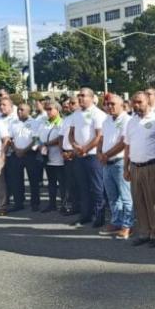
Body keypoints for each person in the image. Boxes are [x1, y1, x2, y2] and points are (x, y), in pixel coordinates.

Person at [124, 91, 155, 247]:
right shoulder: (131, 121)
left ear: (148, 102)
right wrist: (125, 168)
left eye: (139, 102)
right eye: (134, 102)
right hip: (135, 166)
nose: (136, 105)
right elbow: (127, 146)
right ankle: (144, 232)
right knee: (139, 201)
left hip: (152, 166)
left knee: (154, 202)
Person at [68, 88, 107, 226]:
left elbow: (99, 136)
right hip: (79, 155)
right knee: (82, 187)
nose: (80, 98)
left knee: (97, 187)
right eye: (79, 95)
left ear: (91, 97)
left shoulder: (98, 114)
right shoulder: (76, 113)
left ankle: (99, 217)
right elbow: (71, 133)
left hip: (93, 156)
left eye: (83, 96)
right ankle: (85, 215)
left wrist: (85, 149)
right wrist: (75, 146)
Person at [98, 94, 134, 239]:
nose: (110, 106)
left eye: (113, 104)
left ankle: (127, 225)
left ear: (121, 105)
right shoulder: (107, 120)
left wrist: (105, 154)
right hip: (107, 163)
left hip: (119, 162)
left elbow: (124, 143)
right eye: (107, 104)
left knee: (126, 197)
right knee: (113, 197)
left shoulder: (127, 120)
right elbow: (101, 138)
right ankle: (116, 222)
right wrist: (100, 152)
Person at [10, 103, 43, 212]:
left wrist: (24, 150)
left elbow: (36, 140)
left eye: (22, 110)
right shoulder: (13, 123)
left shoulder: (35, 123)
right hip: (16, 154)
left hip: (30, 154)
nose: (19, 111)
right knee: (16, 180)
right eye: (18, 109)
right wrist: (16, 149)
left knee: (33, 180)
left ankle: (35, 203)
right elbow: (10, 139)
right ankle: (18, 202)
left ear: (28, 111)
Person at [38, 100, 64, 213]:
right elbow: (38, 137)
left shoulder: (62, 123)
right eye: (46, 109)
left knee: (62, 183)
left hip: (59, 158)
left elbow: (60, 138)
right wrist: (40, 146)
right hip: (47, 157)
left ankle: (64, 204)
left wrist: (47, 144)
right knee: (51, 182)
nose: (47, 111)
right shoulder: (44, 122)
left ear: (57, 110)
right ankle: (52, 204)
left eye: (50, 109)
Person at [60, 96, 80, 215]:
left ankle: (83, 207)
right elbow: (61, 136)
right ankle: (74, 206)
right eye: (70, 103)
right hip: (66, 154)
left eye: (73, 103)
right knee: (70, 183)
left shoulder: (80, 118)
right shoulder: (67, 119)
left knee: (80, 183)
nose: (71, 105)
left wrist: (73, 151)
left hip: (77, 154)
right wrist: (62, 151)